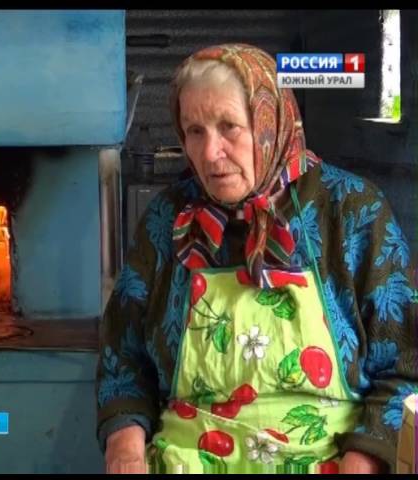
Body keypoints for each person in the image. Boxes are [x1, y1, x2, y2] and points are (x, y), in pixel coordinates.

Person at [95, 43, 418, 474]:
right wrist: (125, 450)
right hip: (187, 459)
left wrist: (364, 460)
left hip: (327, 460)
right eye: (194, 131)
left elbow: (405, 366)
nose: (210, 153)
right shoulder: (167, 218)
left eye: (229, 126)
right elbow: (124, 357)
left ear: (270, 123)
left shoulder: (352, 210)